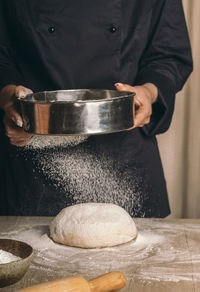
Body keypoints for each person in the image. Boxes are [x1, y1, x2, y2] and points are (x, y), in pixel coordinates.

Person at [0, 0, 192, 217]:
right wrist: (8, 97)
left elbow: (169, 55)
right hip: (32, 156)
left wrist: (148, 91)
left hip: (125, 155)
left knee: (136, 247)